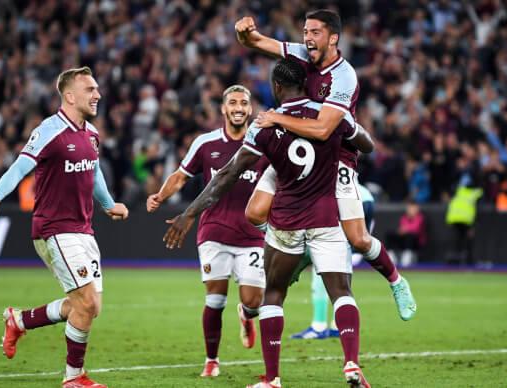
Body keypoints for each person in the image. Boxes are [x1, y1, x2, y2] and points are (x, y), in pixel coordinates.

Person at [163, 59, 371, 388]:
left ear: (276, 87)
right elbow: (367, 145)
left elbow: (227, 175)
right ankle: (351, 364)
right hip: (326, 218)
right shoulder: (332, 115)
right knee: (342, 292)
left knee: (272, 296)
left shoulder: (266, 126)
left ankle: (272, 379)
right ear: (306, 83)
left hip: (286, 222)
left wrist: (190, 213)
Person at [235, 9, 416, 321]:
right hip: (296, 153)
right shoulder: (303, 53)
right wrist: (243, 31)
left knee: (358, 239)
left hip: (335, 157)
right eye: (306, 31)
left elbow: (322, 129)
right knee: (254, 211)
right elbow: (257, 42)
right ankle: (298, 252)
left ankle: (396, 282)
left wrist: (277, 116)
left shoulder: (344, 76)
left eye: (315, 32)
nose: (307, 38)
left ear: (333, 38)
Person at [0, 67, 129, 388]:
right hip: (54, 228)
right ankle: (73, 378)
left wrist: (108, 204)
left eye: (97, 89)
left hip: (83, 229)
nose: (98, 94)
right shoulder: (49, 130)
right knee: (86, 303)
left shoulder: (91, 134)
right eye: (90, 89)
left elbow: (95, 173)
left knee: (89, 307)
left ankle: (18, 319)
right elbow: (20, 166)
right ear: (70, 96)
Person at [147, 85, 269, 378]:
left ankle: (246, 315)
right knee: (215, 298)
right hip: (213, 231)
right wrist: (160, 196)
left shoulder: (263, 144)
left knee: (253, 302)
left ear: (250, 110)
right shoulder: (206, 143)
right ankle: (212, 360)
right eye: (232, 103)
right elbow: (181, 175)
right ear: (224, 109)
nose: (238, 107)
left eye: (243, 103)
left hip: (253, 233)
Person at [246, 169, 377, 339]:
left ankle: (319, 325)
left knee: (320, 270)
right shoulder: (363, 190)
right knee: (340, 278)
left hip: (333, 211)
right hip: (356, 205)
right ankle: (336, 326)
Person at [386, 201, 427, 267]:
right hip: (405, 239)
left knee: (410, 236)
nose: (411, 210)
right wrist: (400, 231)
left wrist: (405, 230)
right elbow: (402, 228)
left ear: (417, 209)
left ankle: (407, 257)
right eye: (409, 208)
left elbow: (415, 229)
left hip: (416, 241)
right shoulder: (404, 217)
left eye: (413, 208)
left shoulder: (420, 217)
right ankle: (391, 255)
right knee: (390, 234)